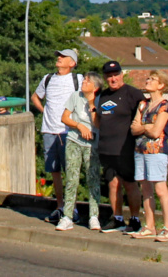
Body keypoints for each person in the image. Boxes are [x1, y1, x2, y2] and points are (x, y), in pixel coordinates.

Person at [32, 48, 84, 223]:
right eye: (59, 56)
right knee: (54, 171)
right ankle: (60, 207)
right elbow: (35, 97)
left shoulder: (77, 79)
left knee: (71, 171)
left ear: (72, 63)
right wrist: (44, 110)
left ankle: (72, 208)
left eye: (63, 57)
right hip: (49, 130)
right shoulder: (48, 78)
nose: (59, 58)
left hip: (68, 131)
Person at [97, 61, 144, 233]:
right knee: (112, 184)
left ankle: (135, 219)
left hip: (126, 148)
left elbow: (144, 117)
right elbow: (99, 120)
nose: (113, 78)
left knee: (130, 184)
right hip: (106, 148)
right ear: (105, 78)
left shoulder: (133, 94)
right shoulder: (102, 96)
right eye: (109, 76)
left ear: (121, 74)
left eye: (116, 75)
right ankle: (117, 218)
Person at [128, 71, 168, 242]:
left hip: (156, 152)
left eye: (152, 79)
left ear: (161, 85)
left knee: (161, 189)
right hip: (140, 151)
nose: (148, 81)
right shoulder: (143, 104)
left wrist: (145, 126)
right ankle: (149, 226)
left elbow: (156, 132)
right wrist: (147, 127)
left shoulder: (164, 105)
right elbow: (134, 129)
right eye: (148, 79)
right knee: (145, 189)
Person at [56, 72, 103, 231]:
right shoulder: (75, 96)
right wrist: (79, 126)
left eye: (88, 81)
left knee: (93, 178)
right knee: (72, 178)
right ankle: (67, 216)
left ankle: (94, 216)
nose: (84, 82)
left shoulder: (99, 100)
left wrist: (91, 105)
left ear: (95, 87)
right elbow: (65, 117)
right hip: (74, 140)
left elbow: (97, 123)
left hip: (92, 143)